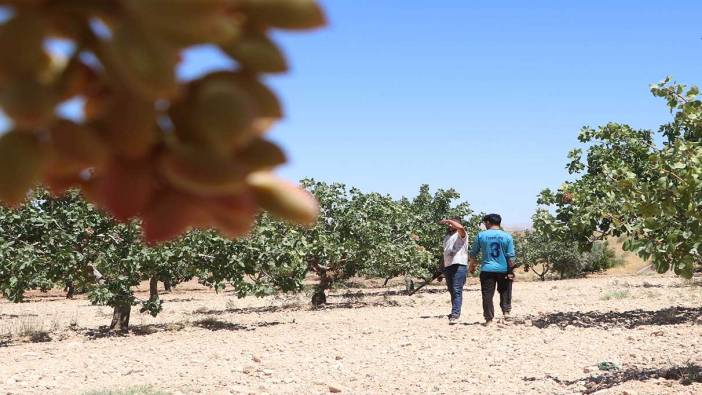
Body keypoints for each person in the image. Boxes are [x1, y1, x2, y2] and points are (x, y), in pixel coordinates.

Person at [469, 214, 516, 326]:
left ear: (488, 222)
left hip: (487, 269)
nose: (484, 225)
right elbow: (511, 257)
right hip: (503, 269)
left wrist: (472, 266)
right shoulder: (507, 236)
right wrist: (511, 271)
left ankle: (489, 319)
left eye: (485, 223)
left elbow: (473, 253)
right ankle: (506, 312)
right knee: (505, 291)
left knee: (487, 294)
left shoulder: (481, 235)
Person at [439, 217, 468, 324]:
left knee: (456, 289)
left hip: (459, 265)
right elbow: (445, 252)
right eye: (449, 224)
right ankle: (454, 311)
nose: (450, 225)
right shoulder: (447, 236)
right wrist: (441, 266)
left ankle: (455, 313)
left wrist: (448, 221)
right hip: (448, 266)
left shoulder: (461, 234)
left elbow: (461, 227)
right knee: (451, 290)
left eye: (453, 224)